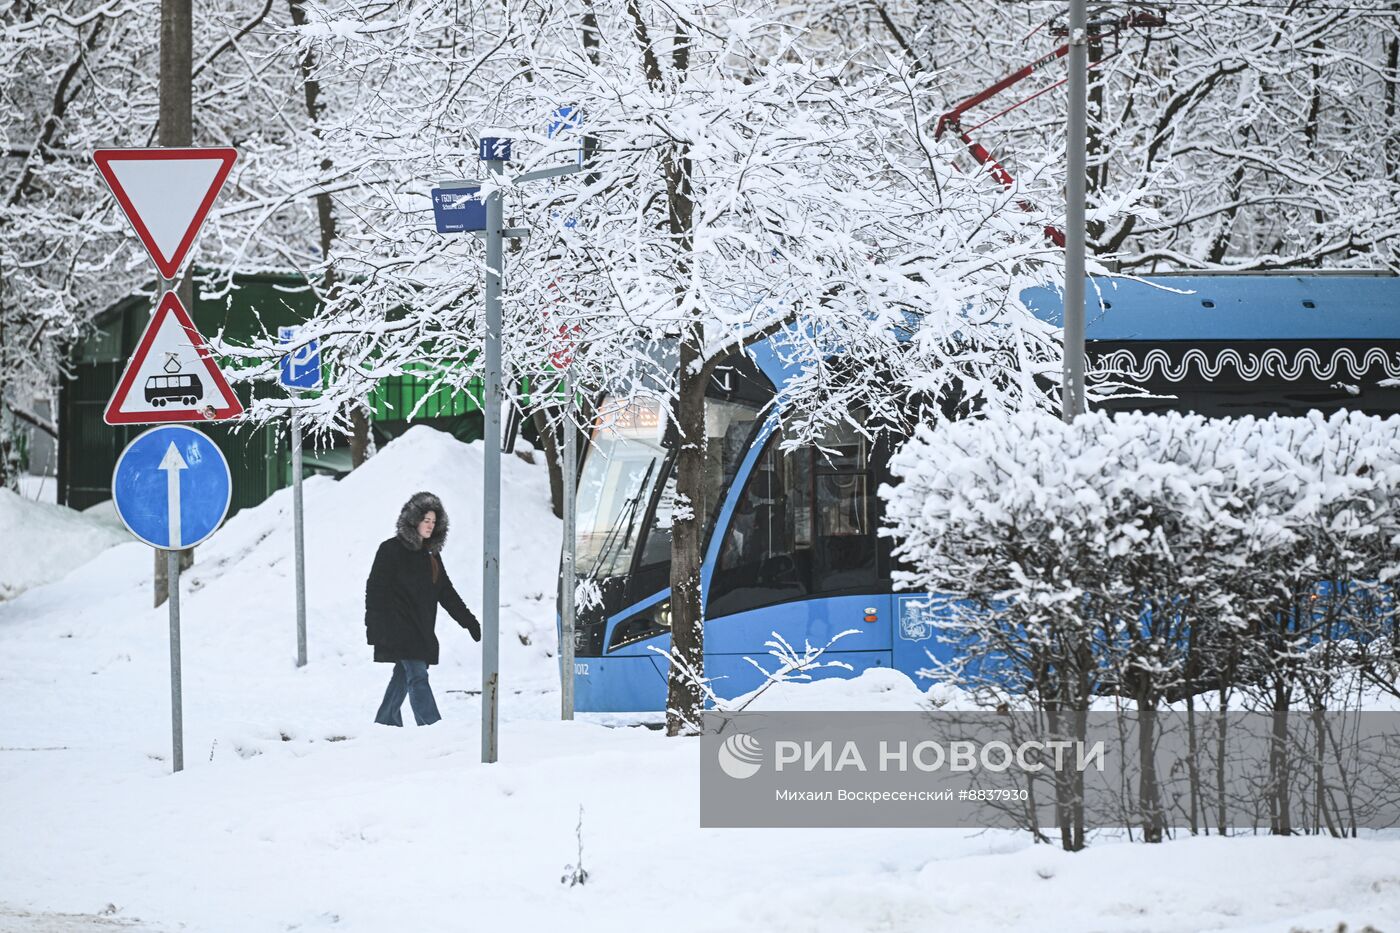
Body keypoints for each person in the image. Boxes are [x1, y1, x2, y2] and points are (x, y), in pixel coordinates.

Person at [365, 492, 481, 726]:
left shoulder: (431, 556)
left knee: (403, 674)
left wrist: (468, 621)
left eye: (433, 522)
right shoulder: (391, 550)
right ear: (413, 520)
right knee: (417, 675)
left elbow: (446, 593)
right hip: (398, 628)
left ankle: (386, 720)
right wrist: (374, 627)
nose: (430, 526)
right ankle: (432, 726)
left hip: (421, 628)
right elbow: (375, 591)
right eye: (425, 520)